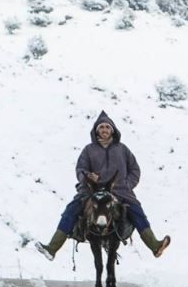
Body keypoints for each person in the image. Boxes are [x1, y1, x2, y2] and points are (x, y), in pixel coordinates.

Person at [35, 110, 171, 260]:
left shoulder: (122, 149)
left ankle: (155, 246)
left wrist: (127, 184)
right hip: (92, 190)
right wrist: (87, 176)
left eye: (107, 127)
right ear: (96, 130)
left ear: (112, 130)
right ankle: (52, 248)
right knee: (71, 209)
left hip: (120, 191)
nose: (104, 130)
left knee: (137, 211)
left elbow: (135, 169)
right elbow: (80, 169)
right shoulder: (88, 150)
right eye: (101, 127)